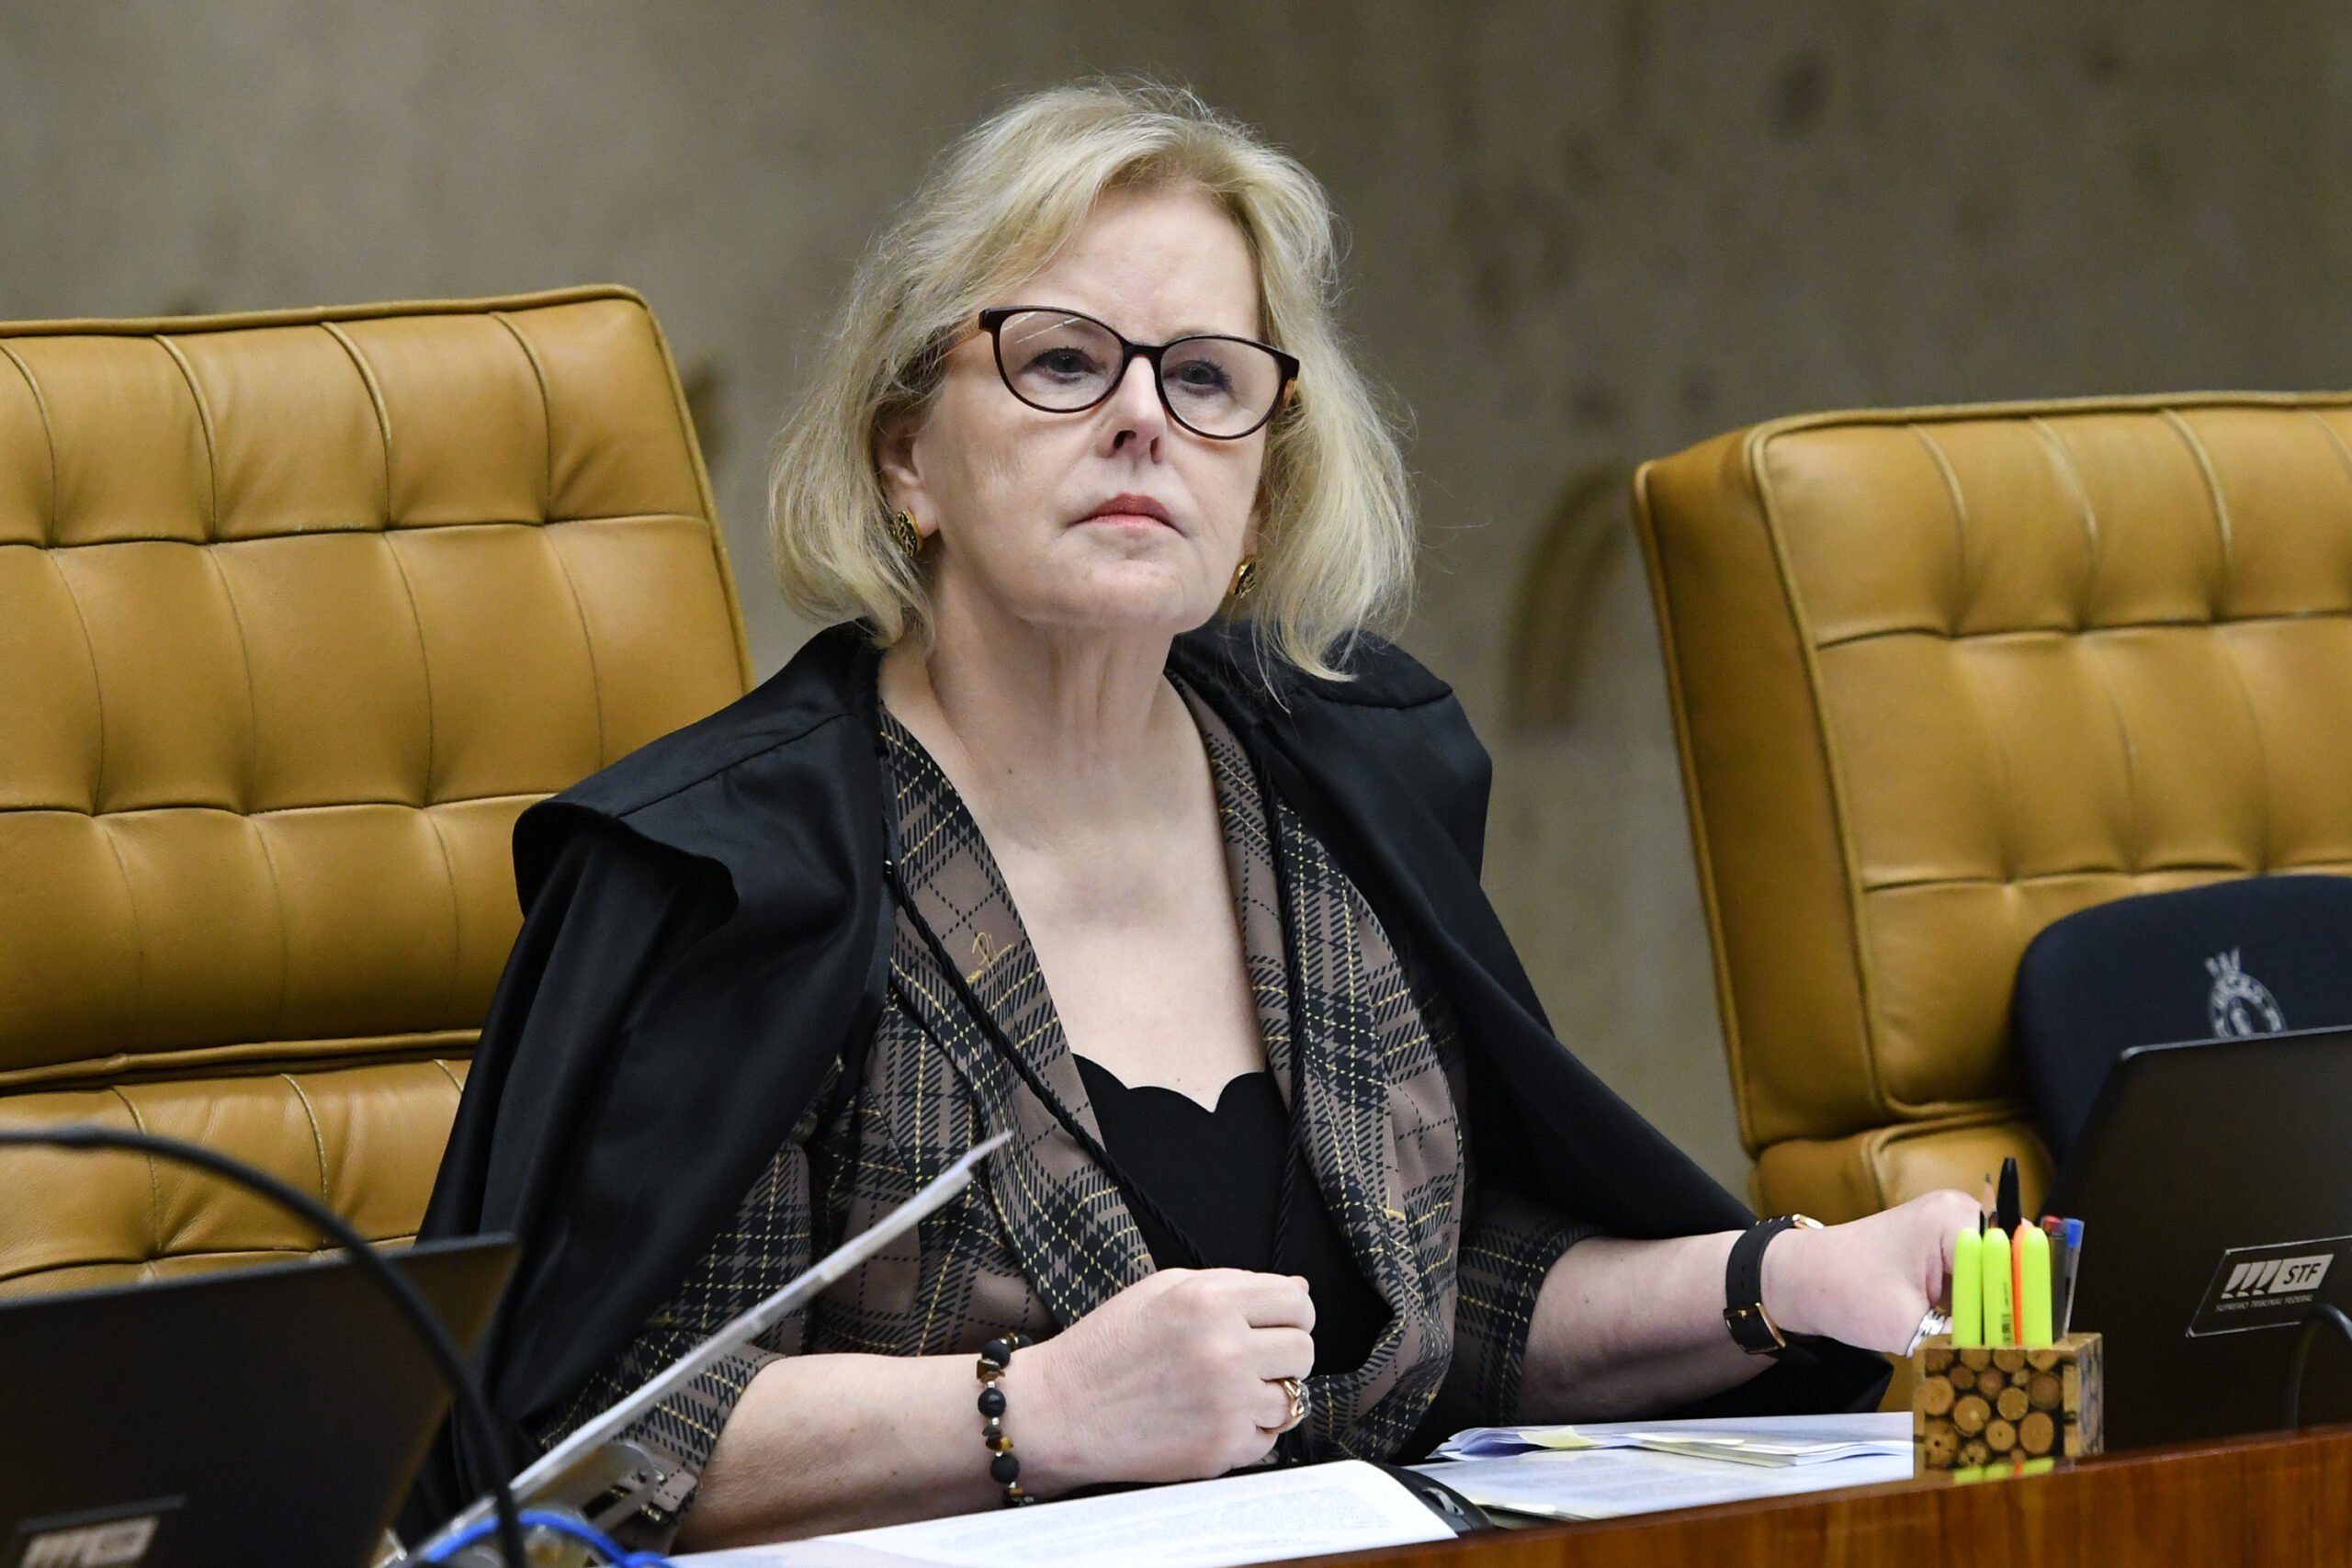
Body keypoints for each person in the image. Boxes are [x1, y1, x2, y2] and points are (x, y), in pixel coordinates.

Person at [406, 79, 1976, 1552]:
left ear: (1260, 499)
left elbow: (1449, 1314)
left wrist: (1788, 1279)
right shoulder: (740, 873)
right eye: (1065, 361)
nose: (1144, 419)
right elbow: (582, 1453)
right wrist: (1035, 1413)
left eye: (1206, 377)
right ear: (908, 458)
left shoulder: (1349, 780)